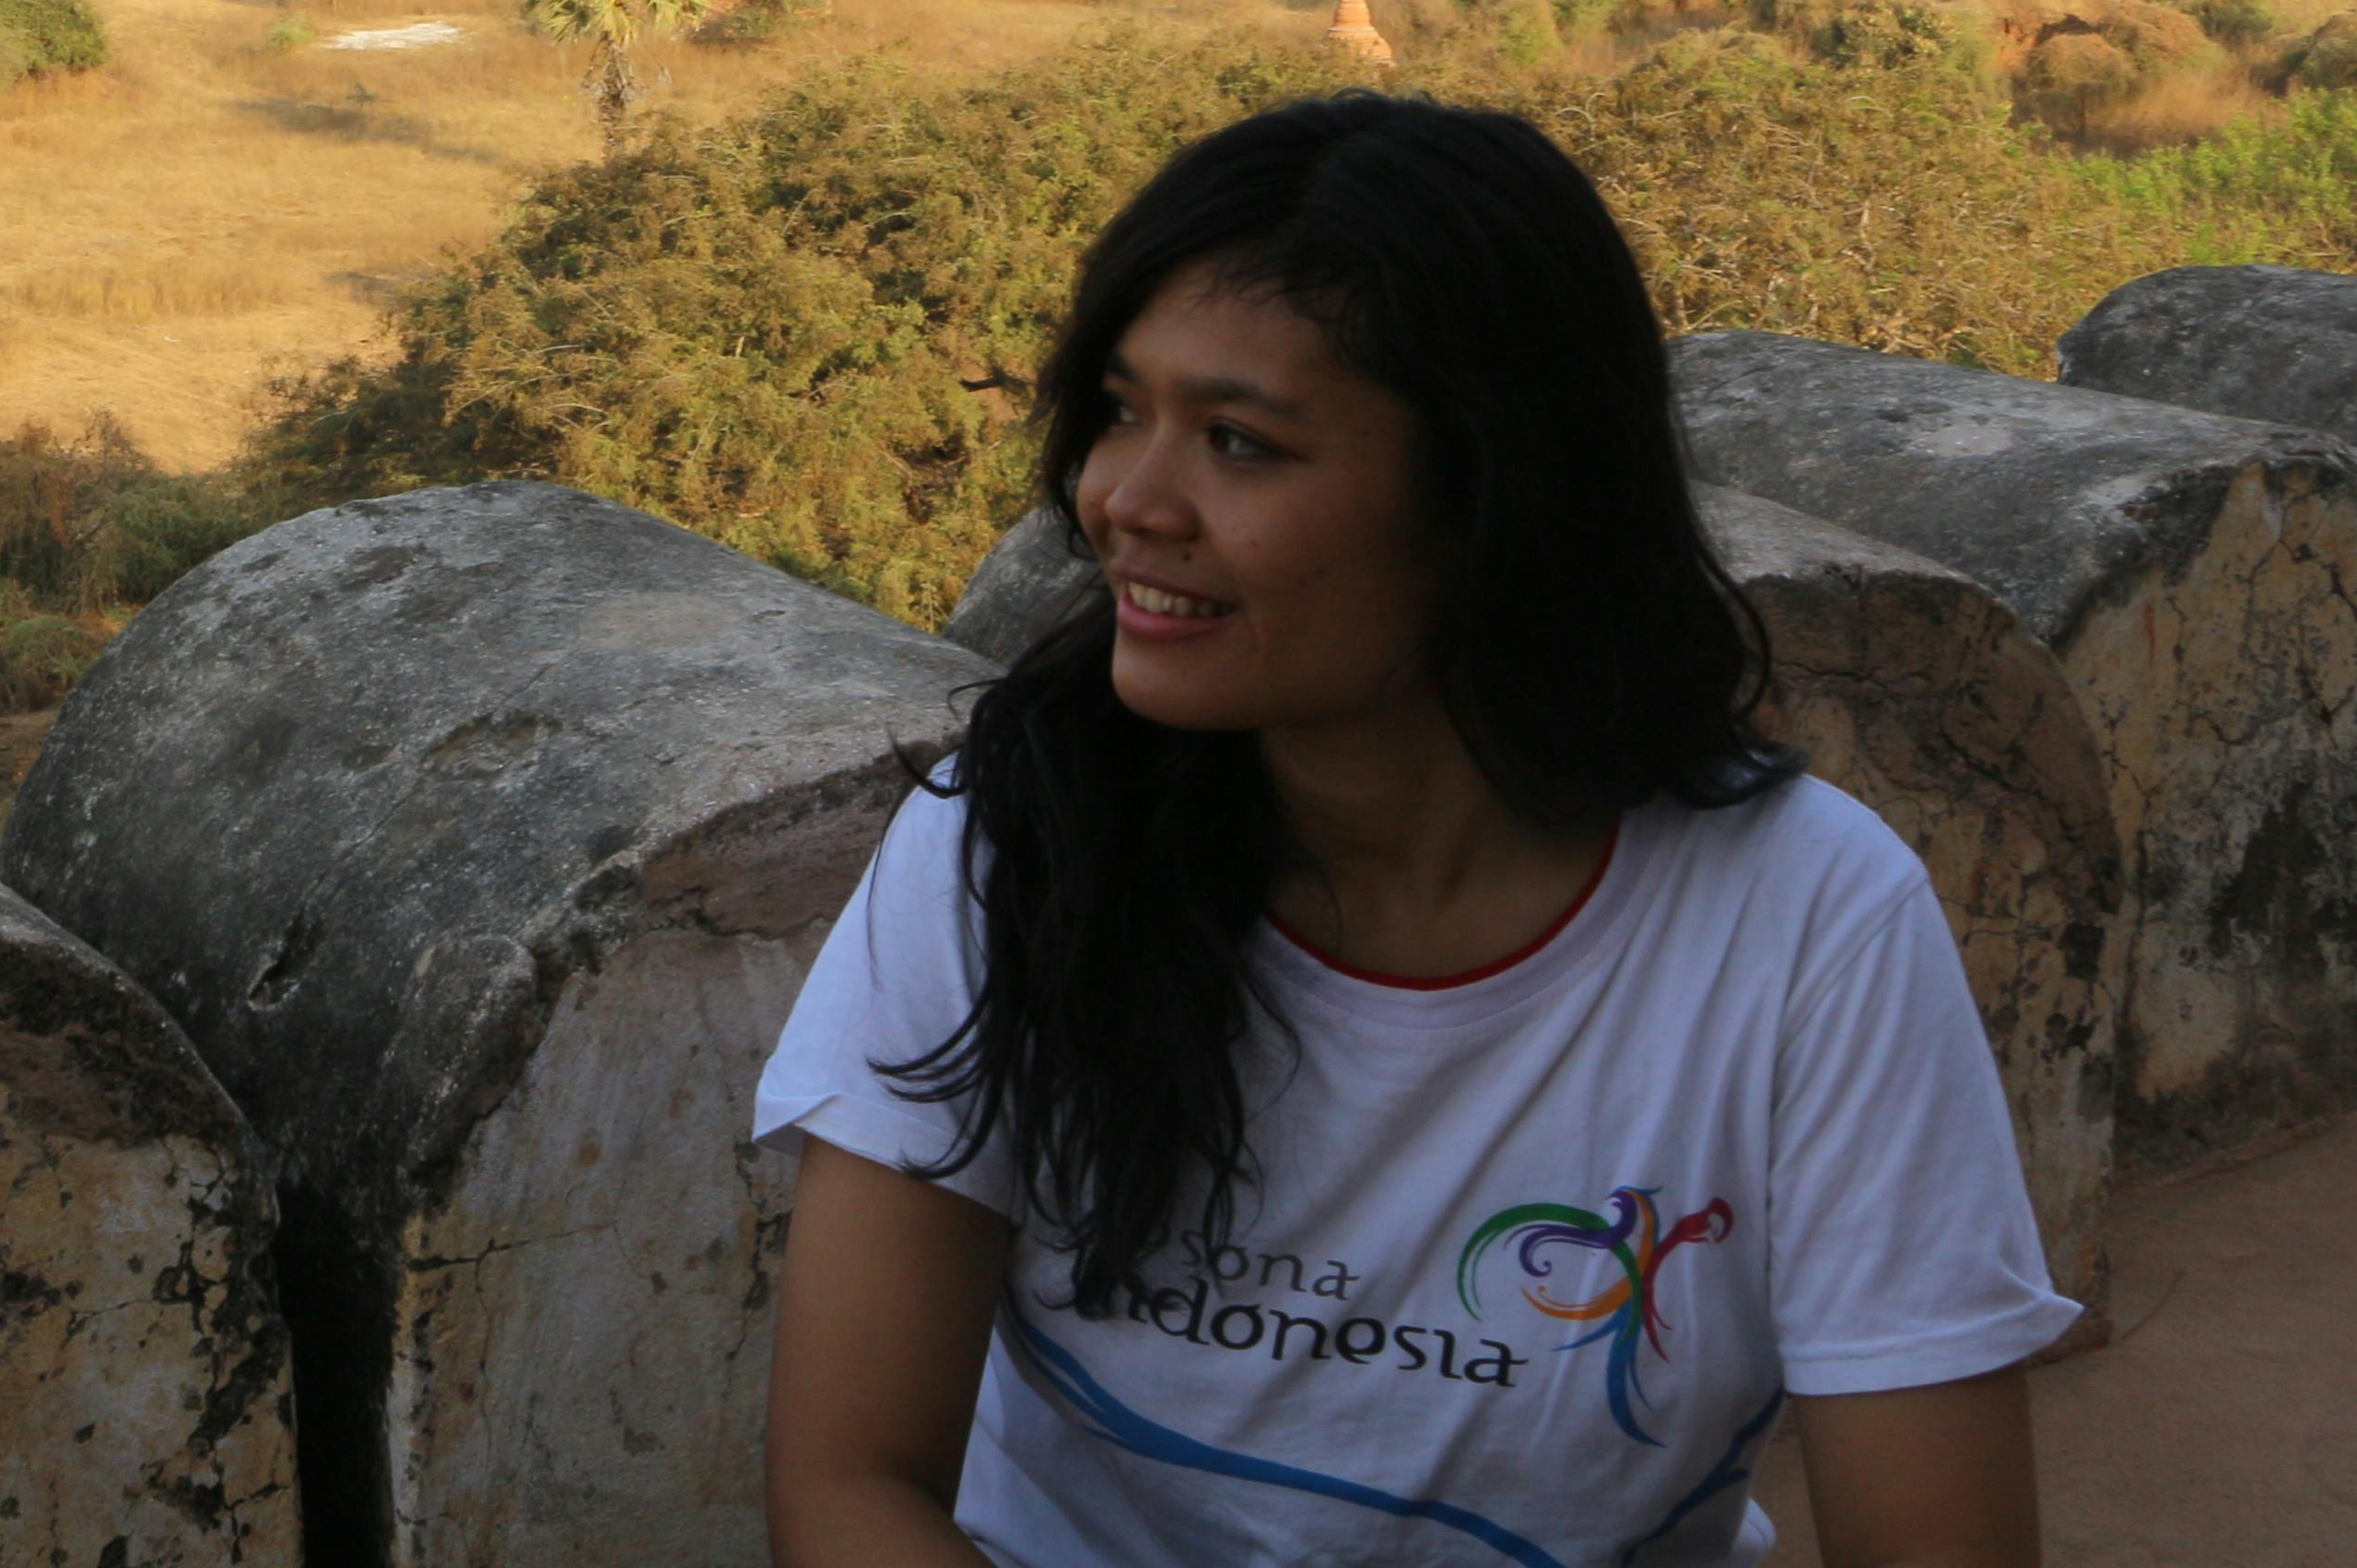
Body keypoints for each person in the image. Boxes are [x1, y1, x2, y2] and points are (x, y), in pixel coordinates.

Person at [756, 94, 2065, 1568]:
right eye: (1124, 411)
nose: (1123, 498)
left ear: (1492, 498)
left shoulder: (1802, 928)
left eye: (1239, 443)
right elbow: (852, 1486)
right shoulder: (1017, 842)